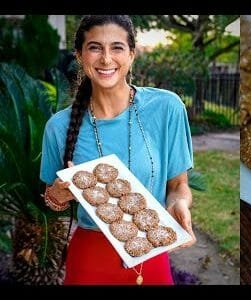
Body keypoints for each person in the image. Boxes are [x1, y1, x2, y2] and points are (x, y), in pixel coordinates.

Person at [40, 15, 196, 285]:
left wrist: (178, 203)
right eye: (95, 47)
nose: (106, 59)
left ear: (132, 54)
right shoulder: (59, 126)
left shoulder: (167, 108)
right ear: (79, 55)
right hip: (89, 260)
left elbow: (179, 184)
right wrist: (57, 194)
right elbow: (51, 201)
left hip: (151, 254)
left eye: (117, 47)